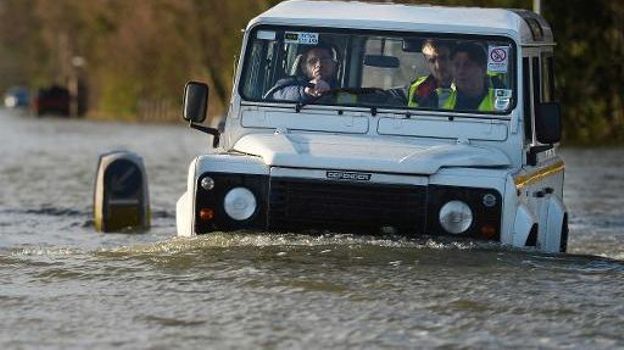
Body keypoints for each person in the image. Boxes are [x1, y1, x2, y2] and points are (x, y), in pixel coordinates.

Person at [266, 44, 338, 102]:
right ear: (304, 67)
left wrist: (330, 93)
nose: (319, 65)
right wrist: (305, 91)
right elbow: (277, 94)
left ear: (333, 64)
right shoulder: (289, 82)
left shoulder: (343, 85)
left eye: (324, 59)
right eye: (312, 61)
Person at [443, 42, 498, 112]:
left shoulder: (499, 100)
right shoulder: (439, 99)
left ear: (483, 70)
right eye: (456, 65)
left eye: (467, 65)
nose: (461, 71)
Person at [407, 39, 455, 108]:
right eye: (432, 60)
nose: (438, 66)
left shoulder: (469, 87)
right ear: (427, 63)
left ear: (454, 58)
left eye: (443, 58)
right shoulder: (417, 87)